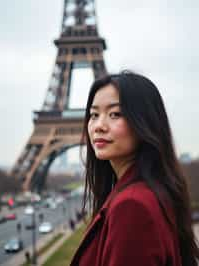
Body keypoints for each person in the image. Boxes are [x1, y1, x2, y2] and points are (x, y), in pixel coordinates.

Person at [70, 71, 199, 266]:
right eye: (94, 115)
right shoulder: (153, 192)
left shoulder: (131, 206)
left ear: (144, 122)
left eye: (115, 114)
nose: (98, 126)